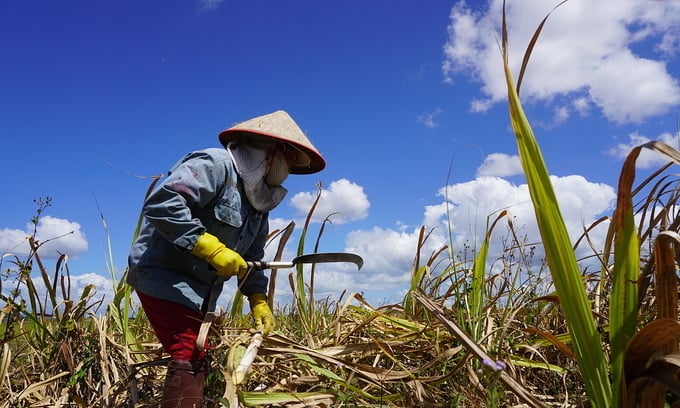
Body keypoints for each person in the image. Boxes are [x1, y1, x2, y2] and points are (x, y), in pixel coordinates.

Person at [126, 110, 325, 407]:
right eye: (290, 162)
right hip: (163, 275)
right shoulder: (215, 165)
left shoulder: (258, 202)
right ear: (272, 153)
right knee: (189, 351)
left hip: (201, 292)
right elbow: (164, 202)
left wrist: (258, 299)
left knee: (203, 349)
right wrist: (209, 247)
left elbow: (253, 257)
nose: (288, 173)